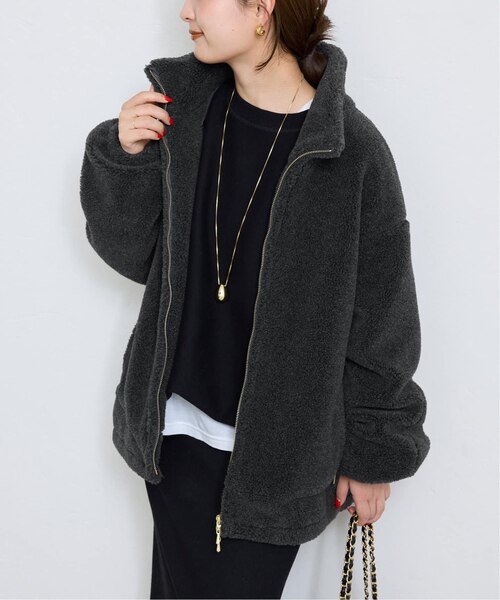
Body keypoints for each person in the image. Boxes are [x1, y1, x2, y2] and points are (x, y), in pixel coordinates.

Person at [79, 0, 431, 597]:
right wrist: (124, 157)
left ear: (263, 6)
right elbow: (135, 256)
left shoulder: (350, 151)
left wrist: (374, 452)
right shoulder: (183, 115)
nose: (186, 11)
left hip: (276, 462)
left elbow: (381, 317)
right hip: (174, 431)